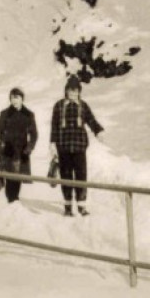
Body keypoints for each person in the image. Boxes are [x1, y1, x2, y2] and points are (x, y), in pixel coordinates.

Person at [49, 77, 103, 216]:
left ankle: (81, 206)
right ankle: (67, 207)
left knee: (81, 176)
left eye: (76, 91)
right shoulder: (59, 106)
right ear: (66, 91)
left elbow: (91, 120)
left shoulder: (83, 106)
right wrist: (52, 143)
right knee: (66, 177)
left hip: (79, 147)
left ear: (79, 92)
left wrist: (98, 131)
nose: (73, 94)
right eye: (70, 91)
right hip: (63, 147)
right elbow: (54, 125)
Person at [0, 87, 37, 204]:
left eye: (17, 98)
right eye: (12, 98)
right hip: (7, 150)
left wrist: (29, 148)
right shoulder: (4, 114)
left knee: (17, 177)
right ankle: (11, 200)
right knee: (9, 177)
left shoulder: (28, 115)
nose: (14, 101)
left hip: (21, 151)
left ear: (22, 99)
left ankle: (13, 200)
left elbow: (34, 134)